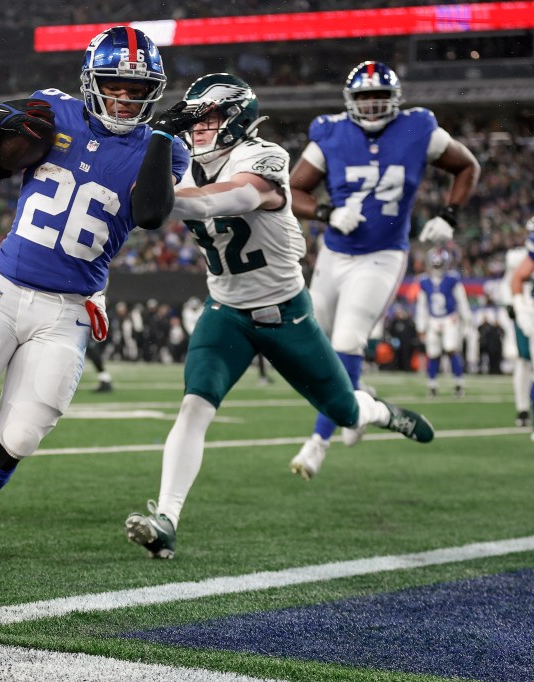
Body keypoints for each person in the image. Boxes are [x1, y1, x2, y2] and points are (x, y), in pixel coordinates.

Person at [0, 25, 189, 566]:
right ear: (91, 80)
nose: (126, 97)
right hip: (6, 289)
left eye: (137, 88)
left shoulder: (165, 149)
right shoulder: (52, 112)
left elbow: (152, 214)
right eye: (116, 84)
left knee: (19, 440)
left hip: (70, 311)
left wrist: (159, 138)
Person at [123, 73, 435, 559]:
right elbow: (148, 200)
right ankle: (166, 518)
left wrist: (158, 192)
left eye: (210, 116)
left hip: (285, 315)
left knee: (345, 411)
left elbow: (233, 198)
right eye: (193, 116)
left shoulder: (263, 155)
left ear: (237, 119)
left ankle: (379, 410)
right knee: (194, 406)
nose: (199, 126)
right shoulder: (182, 160)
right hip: (225, 311)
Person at [287, 61, 479, 480]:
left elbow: (467, 166)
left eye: (379, 97)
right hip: (334, 255)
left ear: (394, 99)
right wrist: (326, 212)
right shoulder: (331, 131)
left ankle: (318, 443)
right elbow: (294, 188)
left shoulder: (418, 128)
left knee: (348, 339)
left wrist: (449, 215)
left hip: (382, 255)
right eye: (364, 98)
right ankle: (361, 403)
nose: (372, 106)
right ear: (350, 101)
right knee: (314, 350)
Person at [415, 247, 471, 397]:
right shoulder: (424, 281)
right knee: (432, 354)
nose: (437, 268)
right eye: (435, 265)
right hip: (433, 320)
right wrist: (421, 326)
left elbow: (462, 301)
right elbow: (421, 306)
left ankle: (459, 384)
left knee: (451, 349)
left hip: (449, 318)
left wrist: (466, 320)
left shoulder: (452, 279)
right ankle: (432, 385)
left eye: (439, 265)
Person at [503, 220, 533, 426]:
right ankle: (522, 408)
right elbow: (511, 281)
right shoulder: (517, 257)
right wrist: (516, 306)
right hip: (526, 312)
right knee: (523, 360)